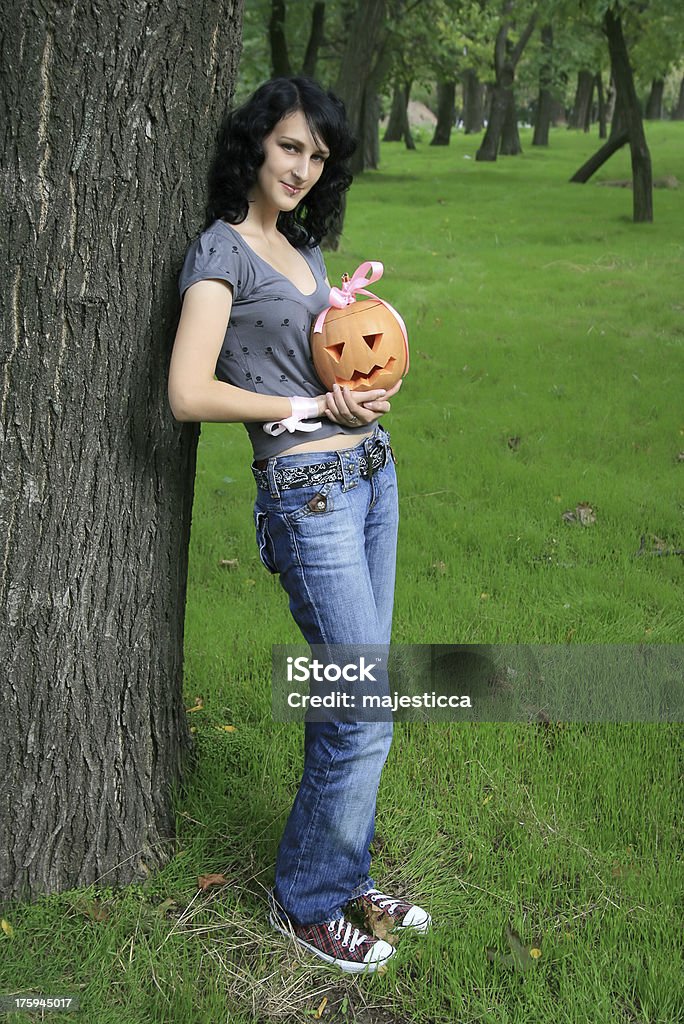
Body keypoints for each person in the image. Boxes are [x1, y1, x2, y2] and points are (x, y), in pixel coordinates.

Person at [168, 76, 430, 973]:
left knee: (354, 696)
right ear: (255, 146)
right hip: (307, 497)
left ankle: (341, 870)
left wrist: (355, 398)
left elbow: (319, 367)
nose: (303, 168)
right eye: (289, 147)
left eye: (317, 156)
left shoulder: (305, 250)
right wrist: (308, 402)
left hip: (368, 476)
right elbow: (189, 390)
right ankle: (309, 903)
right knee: (364, 708)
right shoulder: (223, 254)